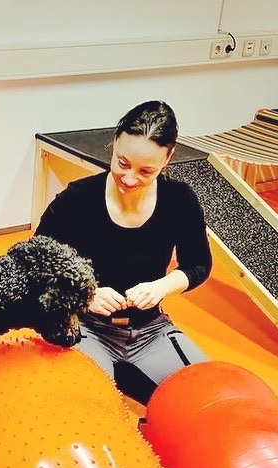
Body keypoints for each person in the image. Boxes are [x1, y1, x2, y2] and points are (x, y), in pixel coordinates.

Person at [34, 99, 212, 403]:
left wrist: (161, 286)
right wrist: (84, 294)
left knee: (206, 398)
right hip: (85, 327)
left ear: (168, 157)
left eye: (146, 171)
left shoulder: (179, 199)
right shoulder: (77, 199)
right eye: (123, 163)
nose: (129, 179)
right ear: (115, 142)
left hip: (151, 331)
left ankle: (127, 375)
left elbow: (198, 263)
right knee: (82, 405)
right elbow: (34, 261)